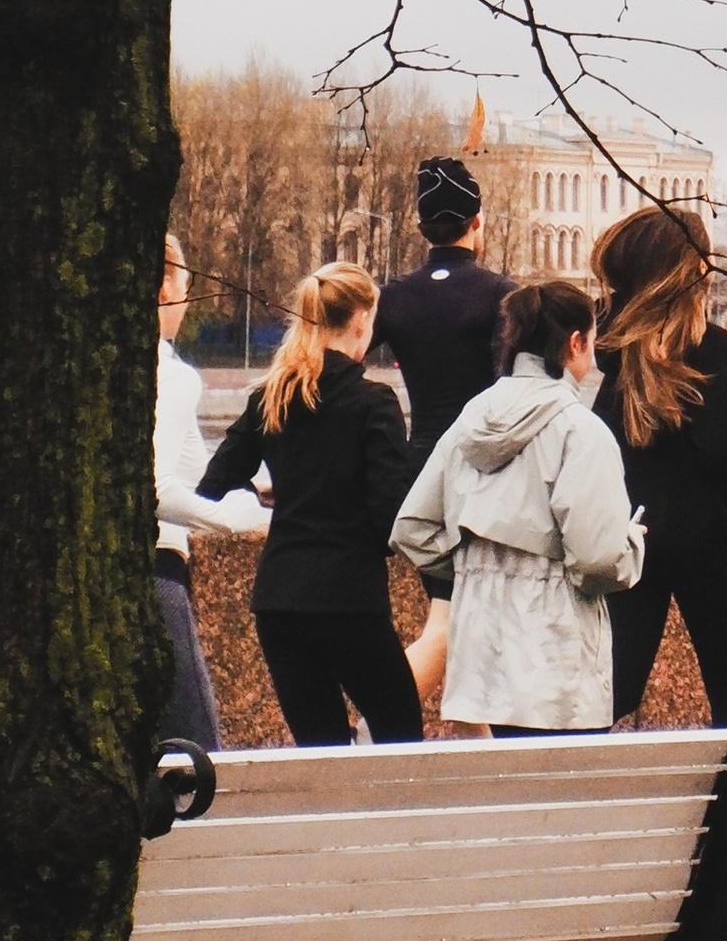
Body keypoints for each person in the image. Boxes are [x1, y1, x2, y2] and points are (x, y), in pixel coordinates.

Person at [392, 275, 642, 733]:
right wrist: (631, 544)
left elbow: (412, 528)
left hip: (479, 664)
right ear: (575, 343)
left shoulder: (470, 420)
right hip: (556, 664)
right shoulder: (581, 432)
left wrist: (474, 565)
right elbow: (597, 560)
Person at [200, 261, 421, 746]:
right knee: (401, 737)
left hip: (280, 600)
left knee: (320, 751)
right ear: (361, 320)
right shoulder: (374, 402)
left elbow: (213, 485)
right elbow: (389, 514)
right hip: (349, 600)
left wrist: (270, 493)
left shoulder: (272, 397)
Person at [590, 204, 727, 727]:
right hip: (711, 547)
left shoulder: (617, 355)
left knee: (616, 689)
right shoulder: (711, 347)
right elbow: (725, 446)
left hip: (636, 542)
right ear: (688, 269)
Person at [375, 154, 518, 710]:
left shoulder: (394, 297)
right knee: (450, 620)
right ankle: (377, 725)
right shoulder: (500, 295)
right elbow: (512, 389)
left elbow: (339, 361)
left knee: (462, 621)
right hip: (482, 475)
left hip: (420, 472)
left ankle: (475, 740)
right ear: (477, 222)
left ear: (420, 228)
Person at [151, 229, 264, 751]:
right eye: (185, 285)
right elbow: (156, 488)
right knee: (196, 750)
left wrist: (256, 489)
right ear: (164, 288)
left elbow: (194, 477)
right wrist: (229, 519)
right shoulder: (174, 376)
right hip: (159, 575)